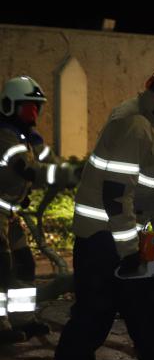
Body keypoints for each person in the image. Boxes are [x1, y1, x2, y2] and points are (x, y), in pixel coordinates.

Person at [49, 62, 154, 360]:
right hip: (104, 241)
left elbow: (140, 182)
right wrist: (130, 251)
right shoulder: (137, 125)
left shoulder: (142, 117)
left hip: (111, 237)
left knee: (148, 309)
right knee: (93, 318)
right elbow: (116, 195)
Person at [0, 75, 77, 344]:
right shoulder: (5, 137)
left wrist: (73, 171)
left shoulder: (30, 138)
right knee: (2, 267)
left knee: (23, 265)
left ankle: (23, 320)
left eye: (36, 107)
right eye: (28, 107)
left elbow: (50, 161)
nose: (34, 112)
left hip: (9, 212)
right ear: (10, 106)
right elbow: (31, 170)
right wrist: (67, 175)